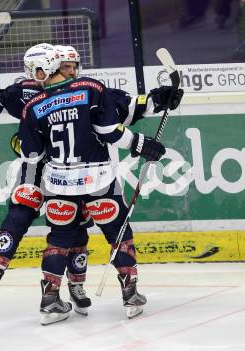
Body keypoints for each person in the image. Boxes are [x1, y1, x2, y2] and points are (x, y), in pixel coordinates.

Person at [0, 43, 180, 317]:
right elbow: (116, 117)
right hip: (86, 174)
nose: (71, 69)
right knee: (78, 225)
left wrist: (157, 99)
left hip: (56, 175)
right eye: (66, 65)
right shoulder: (88, 88)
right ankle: (3, 272)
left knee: (66, 231)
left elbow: (24, 136)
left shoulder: (33, 102)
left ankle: (64, 291)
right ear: (55, 65)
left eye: (73, 65)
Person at [18, 43, 182, 324]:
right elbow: (109, 130)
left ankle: (50, 300)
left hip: (60, 183)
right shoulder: (89, 88)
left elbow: (32, 154)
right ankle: (130, 294)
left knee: (58, 239)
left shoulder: (33, 106)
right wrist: (142, 144)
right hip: (98, 179)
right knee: (118, 233)